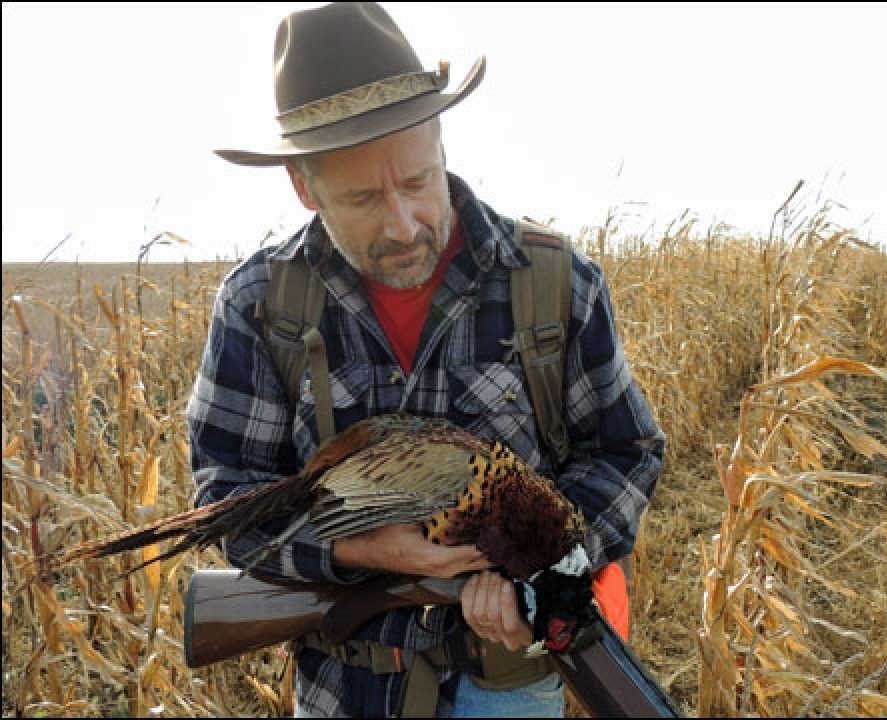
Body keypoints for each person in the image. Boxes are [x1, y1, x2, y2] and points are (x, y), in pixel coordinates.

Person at [186, 2, 666, 717]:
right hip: (345, 689)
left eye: (417, 182)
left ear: (441, 146)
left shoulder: (555, 284)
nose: (404, 223)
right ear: (303, 186)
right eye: (363, 199)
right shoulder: (261, 304)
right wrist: (363, 550)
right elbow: (226, 495)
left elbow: (627, 451)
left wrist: (536, 578)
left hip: (503, 687)